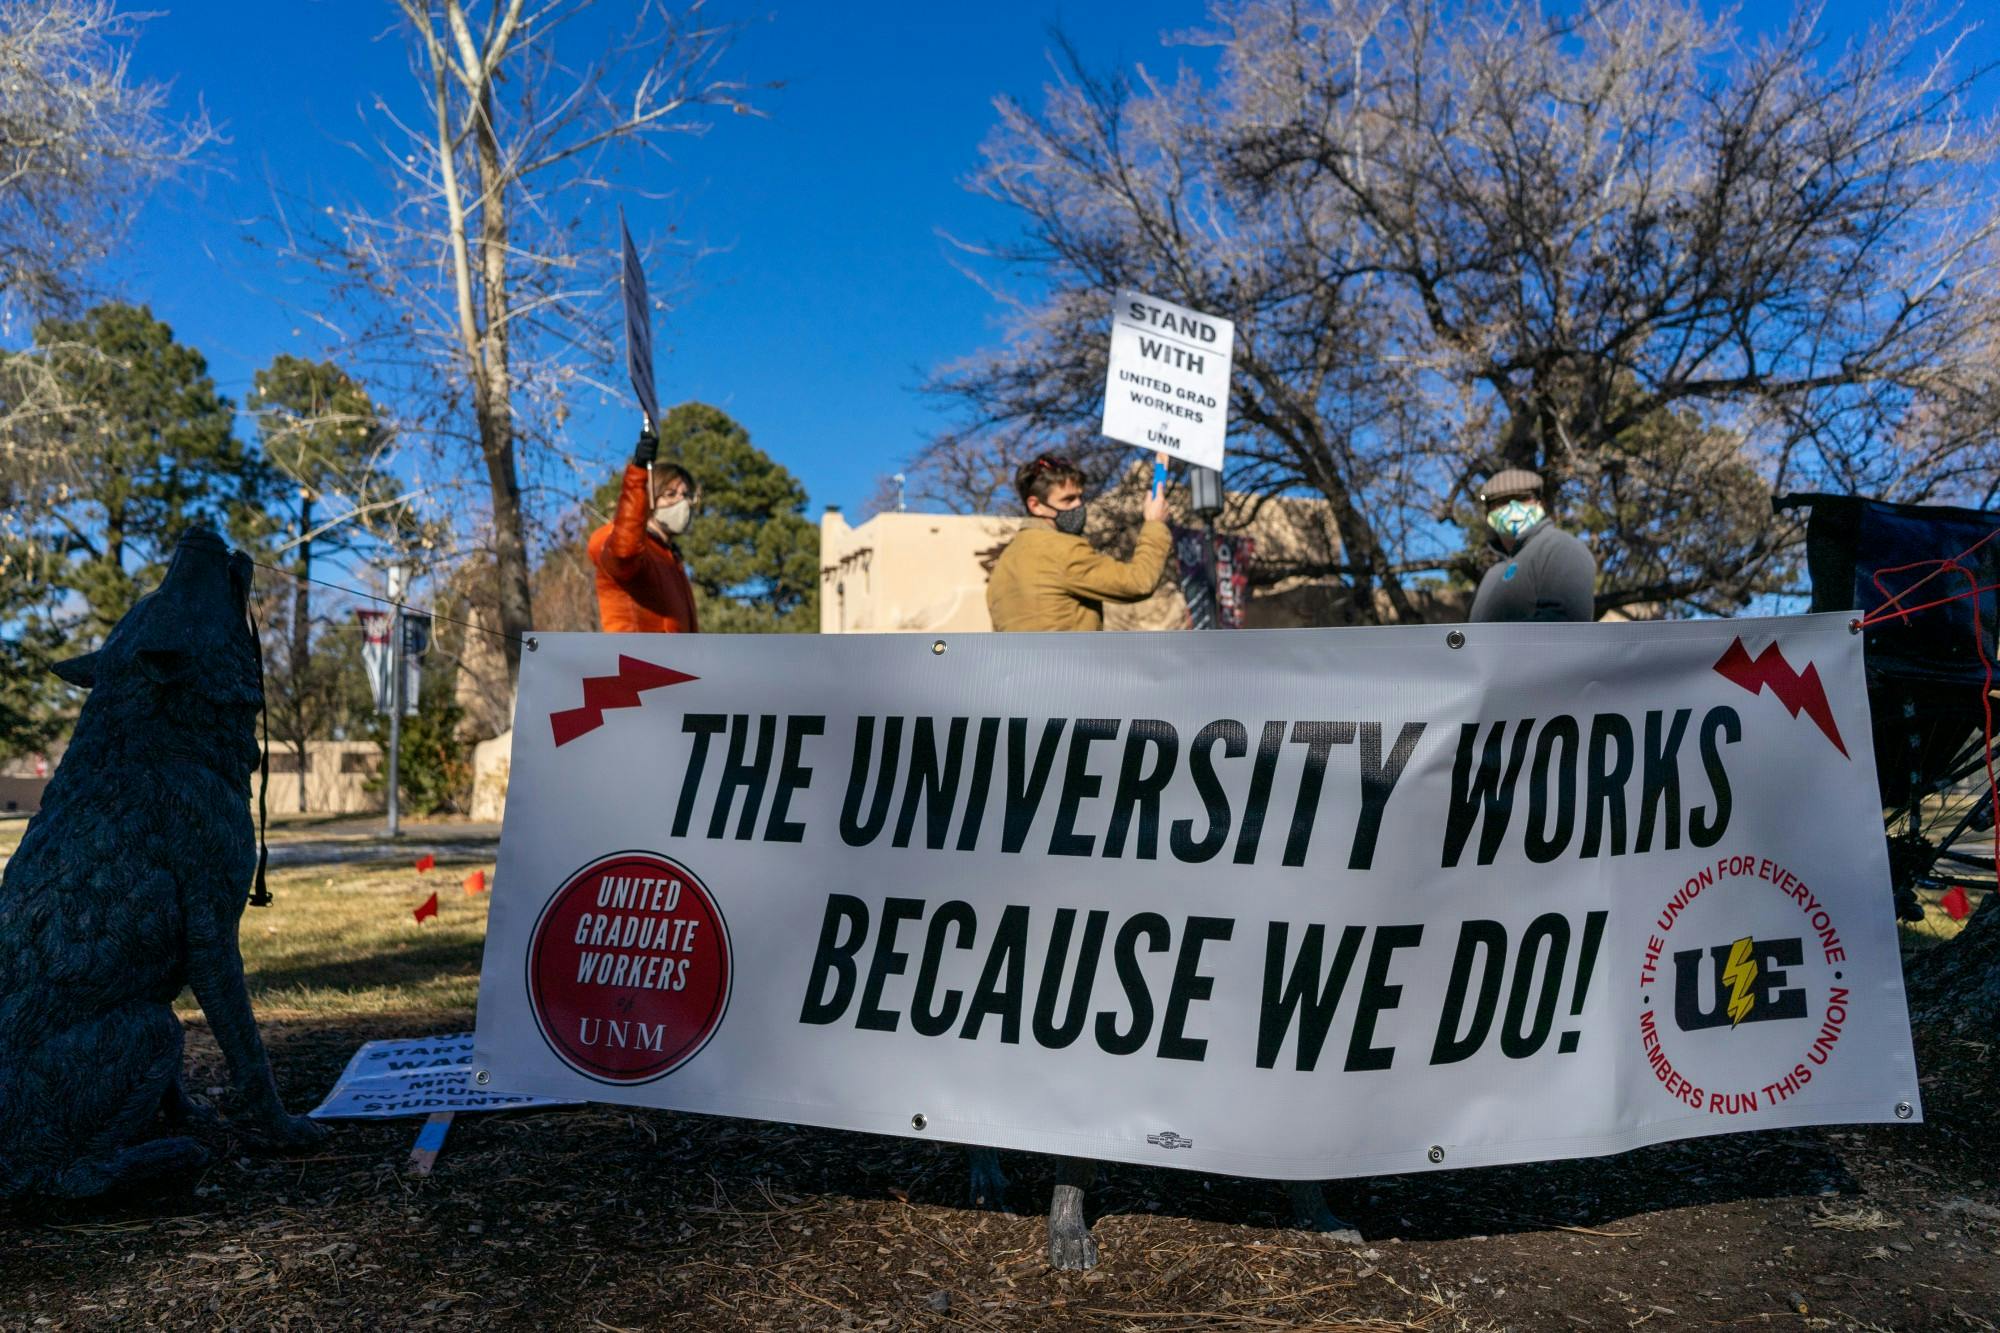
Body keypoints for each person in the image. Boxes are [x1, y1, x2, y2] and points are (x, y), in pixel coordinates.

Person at [986, 454, 1171, 632]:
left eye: (1080, 497)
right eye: (1068, 499)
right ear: (1035, 505)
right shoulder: (1061, 550)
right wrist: (1155, 524)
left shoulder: (1002, 567)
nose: (1078, 506)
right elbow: (1138, 582)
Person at [590, 428, 700, 633]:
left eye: (686, 495)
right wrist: (638, 474)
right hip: (636, 663)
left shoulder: (671, 558)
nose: (681, 502)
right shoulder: (626, 545)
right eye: (670, 494)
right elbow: (624, 551)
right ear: (650, 498)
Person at [1468, 467, 1597, 623]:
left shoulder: (1561, 547)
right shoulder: (1492, 573)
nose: (1512, 507)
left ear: (1540, 503)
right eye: (1501, 501)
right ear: (1488, 511)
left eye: (1522, 498)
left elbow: (1564, 629)